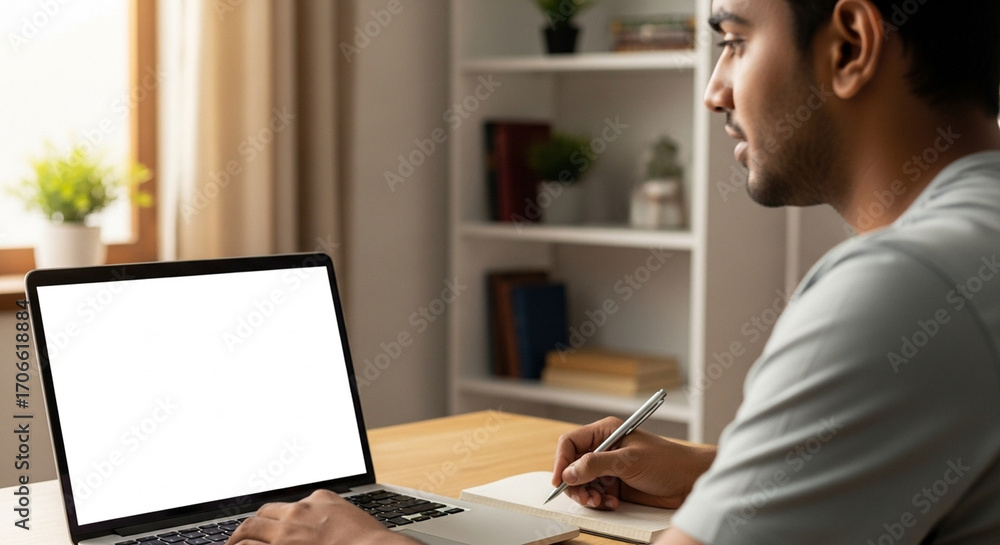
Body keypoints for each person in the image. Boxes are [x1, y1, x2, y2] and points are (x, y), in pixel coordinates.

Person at [227, 0, 1000, 543]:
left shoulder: (900, 285)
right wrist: (716, 471)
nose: (713, 90)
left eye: (733, 40)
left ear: (851, 46)